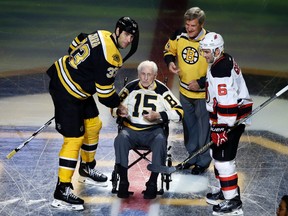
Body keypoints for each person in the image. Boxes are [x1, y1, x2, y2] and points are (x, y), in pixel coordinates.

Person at [46, 17, 139, 210]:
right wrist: (119, 105)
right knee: (74, 140)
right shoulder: (111, 57)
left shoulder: (102, 34)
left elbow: (76, 42)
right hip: (67, 91)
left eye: (133, 36)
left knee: (93, 124)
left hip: (74, 85)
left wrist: (81, 69)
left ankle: (87, 168)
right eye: (127, 34)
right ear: (118, 30)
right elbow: (105, 95)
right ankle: (61, 191)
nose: (129, 40)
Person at [112, 60, 183, 199]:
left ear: (155, 76)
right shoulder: (130, 88)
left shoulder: (162, 90)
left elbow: (179, 112)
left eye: (149, 75)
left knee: (160, 140)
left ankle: (152, 183)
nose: (145, 78)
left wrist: (159, 115)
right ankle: (124, 182)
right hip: (131, 130)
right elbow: (113, 107)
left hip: (153, 132)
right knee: (120, 139)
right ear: (138, 74)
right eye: (142, 74)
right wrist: (119, 111)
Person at [199, 32, 253, 215]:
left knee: (224, 160)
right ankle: (226, 190)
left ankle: (233, 202)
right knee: (217, 155)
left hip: (230, 121)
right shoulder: (221, 60)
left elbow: (228, 104)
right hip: (225, 119)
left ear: (217, 50)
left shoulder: (220, 69)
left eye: (207, 52)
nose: (204, 55)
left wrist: (222, 127)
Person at [163, 7, 211, 175]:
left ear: (202, 24)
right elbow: (168, 50)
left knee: (204, 129)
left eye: (193, 25)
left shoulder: (210, 41)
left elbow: (218, 69)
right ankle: (192, 157)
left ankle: (203, 161)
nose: (189, 28)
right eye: (187, 24)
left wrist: (201, 83)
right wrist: (169, 62)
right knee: (189, 127)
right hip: (184, 92)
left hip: (204, 95)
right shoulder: (178, 35)